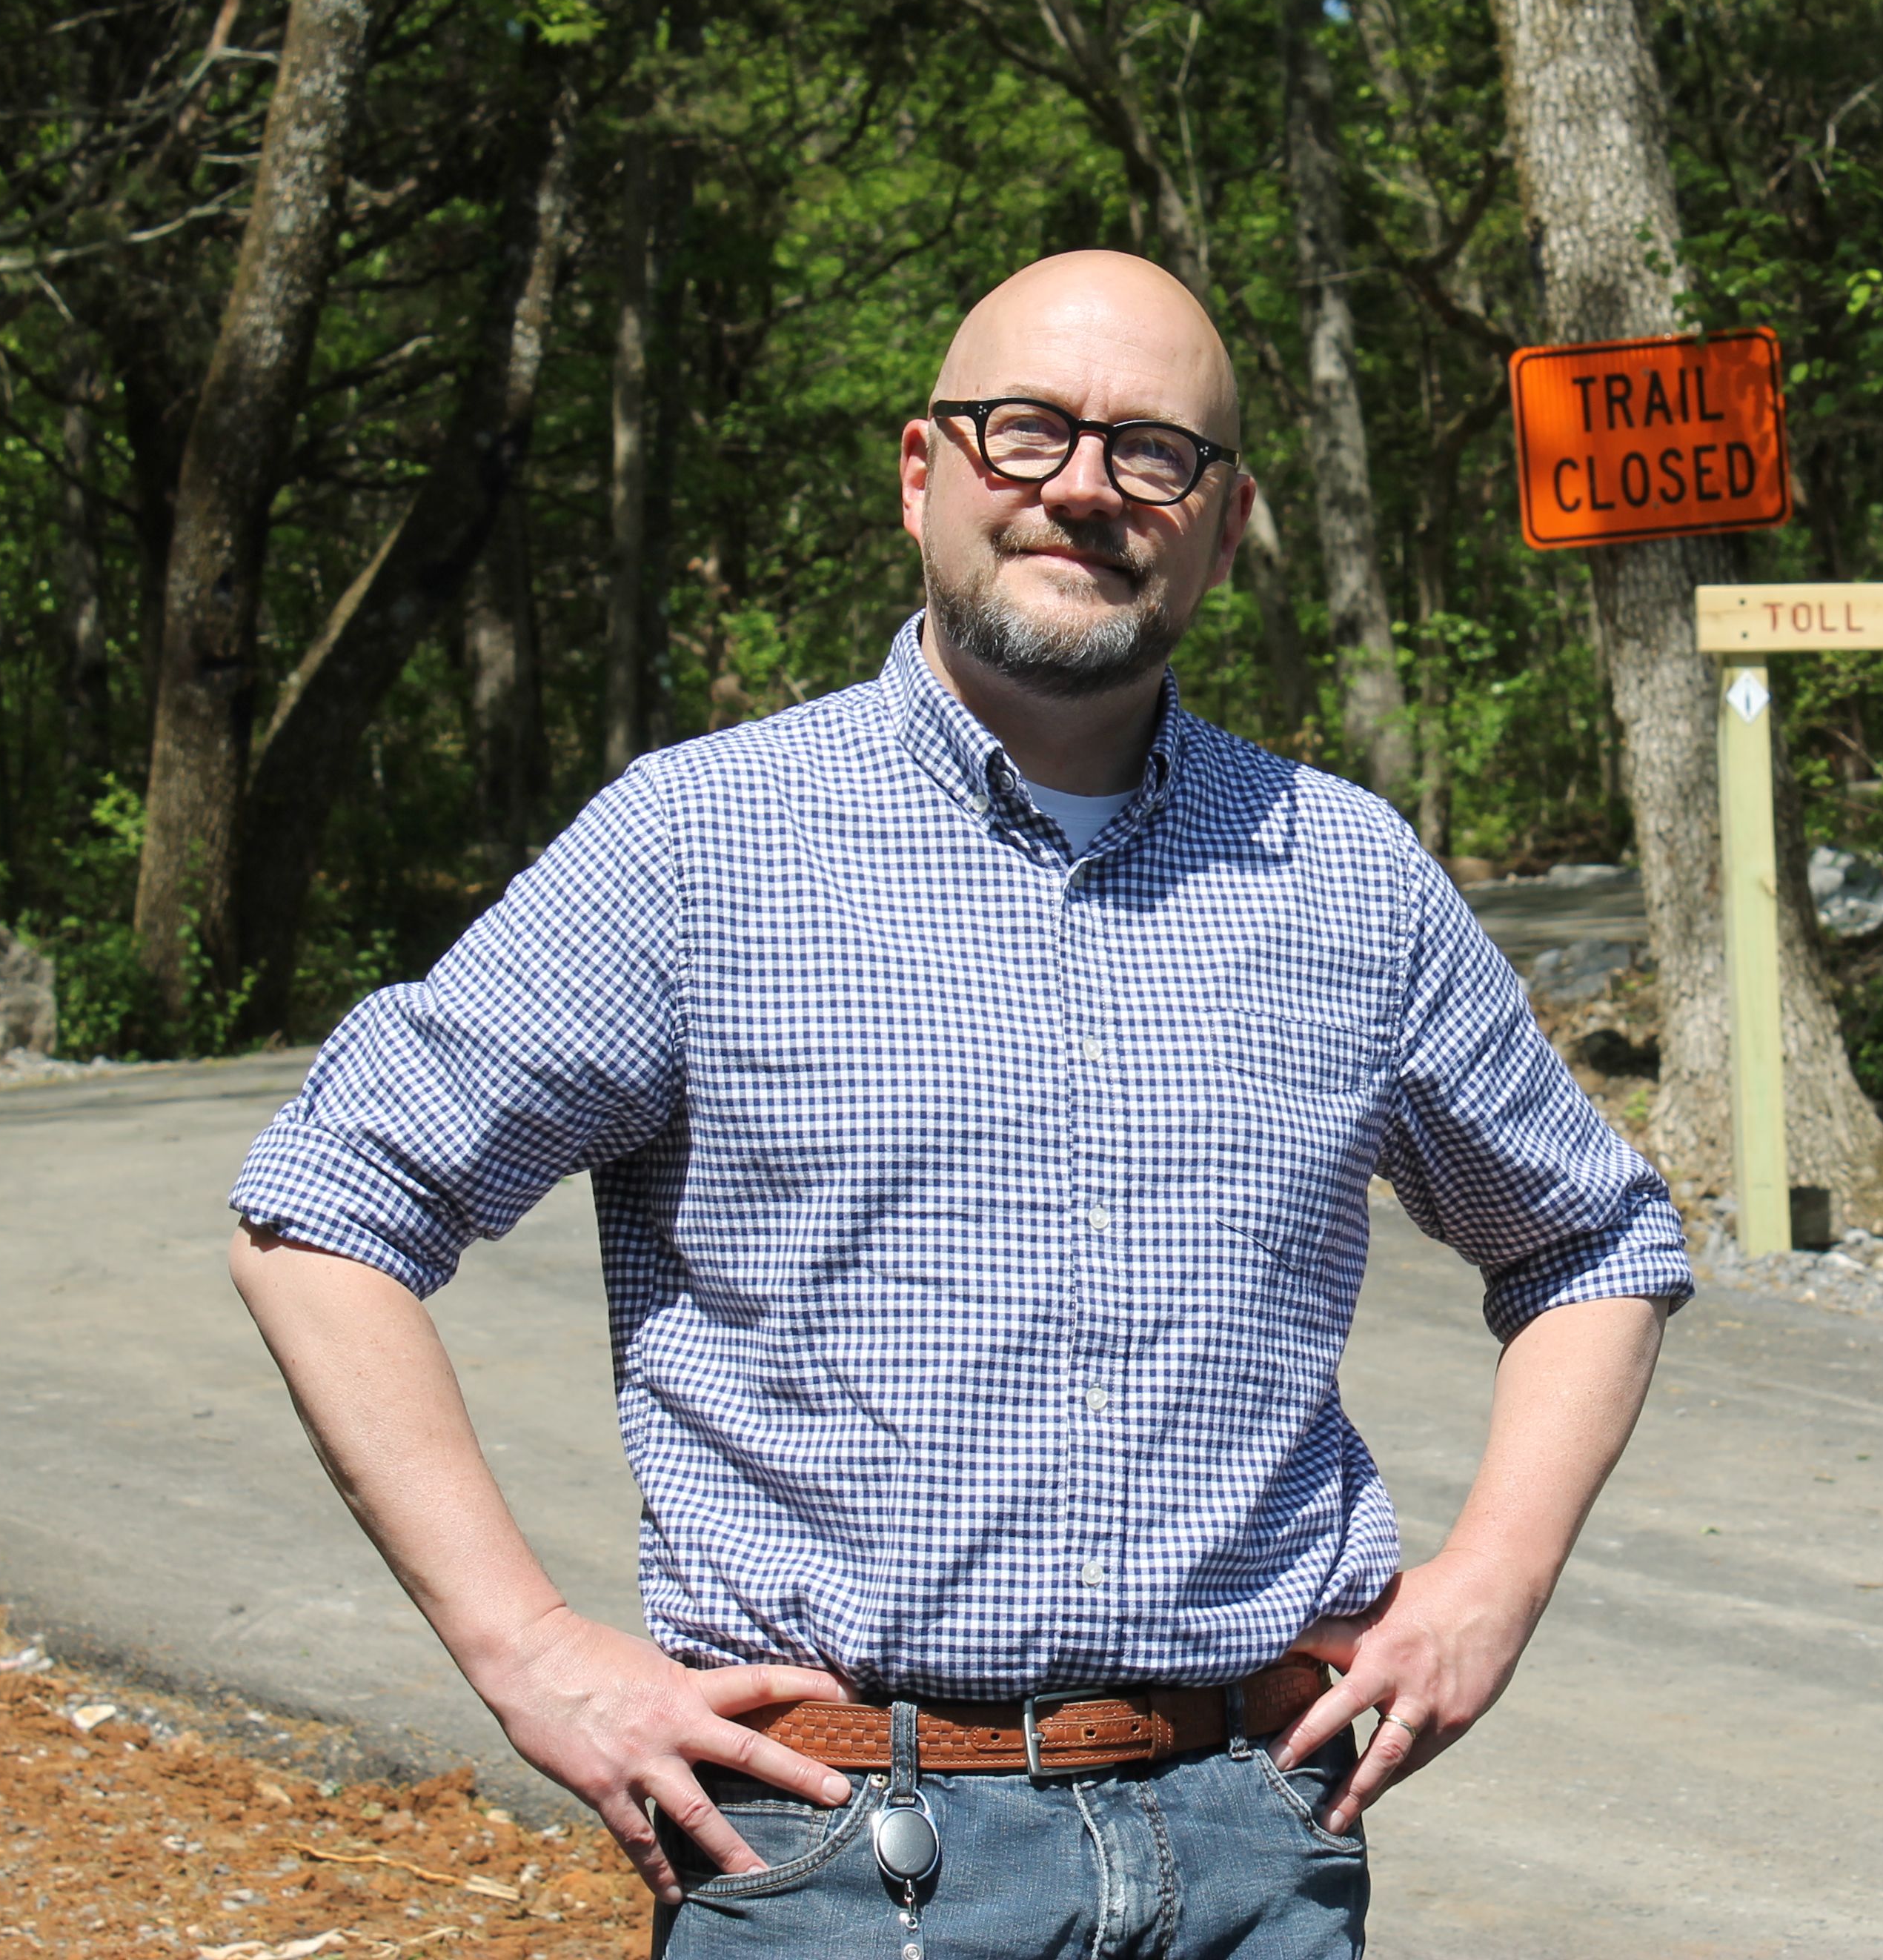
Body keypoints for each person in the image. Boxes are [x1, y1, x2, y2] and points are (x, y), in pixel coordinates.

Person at [226, 249, 1690, 1959]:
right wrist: (530, 1646)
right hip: (839, 1859)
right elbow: (324, 1214)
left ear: (1223, 526)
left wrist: (1490, 1585)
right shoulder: (702, 845)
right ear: (923, 475)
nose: (1083, 485)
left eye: (1155, 451)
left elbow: (1595, 1238)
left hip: (1247, 1846)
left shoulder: (1344, 876)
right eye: (1025, 432)